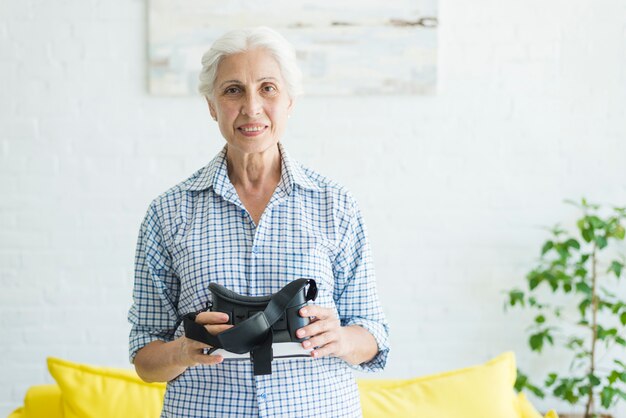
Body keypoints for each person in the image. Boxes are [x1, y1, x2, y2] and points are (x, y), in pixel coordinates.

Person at [128, 26, 389, 417]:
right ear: (212, 105)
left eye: (267, 88)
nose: (251, 107)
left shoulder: (335, 206)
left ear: (289, 102)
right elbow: (145, 357)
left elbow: (373, 335)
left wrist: (340, 337)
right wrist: (182, 350)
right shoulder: (168, 213)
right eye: (233, 90)